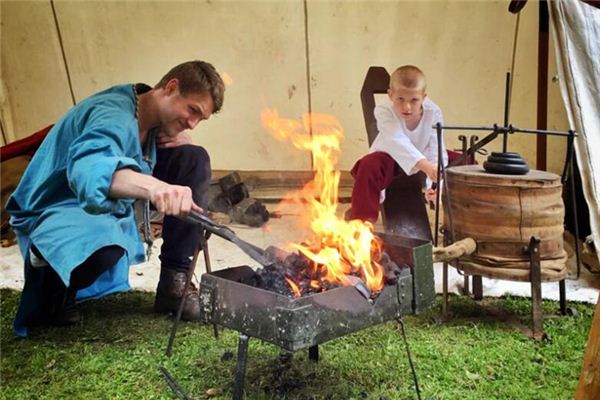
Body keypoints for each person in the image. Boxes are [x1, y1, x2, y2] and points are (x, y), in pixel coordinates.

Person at [6, 60, 225, 337]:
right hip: (56, 206)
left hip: (95, 206)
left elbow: (146, 148)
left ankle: (174, 285)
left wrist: (177, 136)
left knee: (192, 158)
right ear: (171, 88)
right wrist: (155, 187)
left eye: (199, 119)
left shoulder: (149, 114)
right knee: (105, 243)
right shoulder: (111, 114)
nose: (192, 124)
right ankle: (50, 287)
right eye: (191, 111)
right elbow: (90, 169)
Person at [349, 65, 447, 222]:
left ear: (424, 96)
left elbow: (436, 148)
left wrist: (434, 184)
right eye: (400, 99)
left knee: (463, 160)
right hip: (391, 159)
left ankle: (463, 223)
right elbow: (397, 141)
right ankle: (361, 224)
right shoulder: (383, 110)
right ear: (390, 95)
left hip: (423, 158)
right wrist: (427, 167)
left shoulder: (433, 112)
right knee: (368, 165)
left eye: (414, 100)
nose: (406, 107)